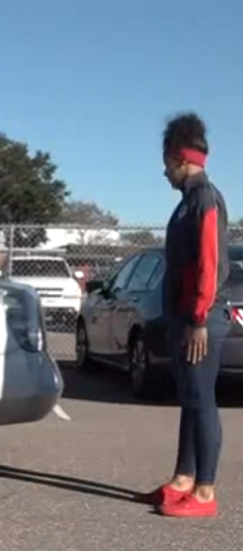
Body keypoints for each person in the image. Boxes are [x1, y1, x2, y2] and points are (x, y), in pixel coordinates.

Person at [139, 112, 231, 518]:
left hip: (201, 322)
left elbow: (210, 266)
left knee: (202, 401)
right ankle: (182, 480)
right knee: (190, 401)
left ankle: (205, 494)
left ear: (180, 158)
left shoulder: (206, 199)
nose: (163, 172)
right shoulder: (186, 203)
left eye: (165, 163)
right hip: (184, 318)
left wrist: (197, 320)